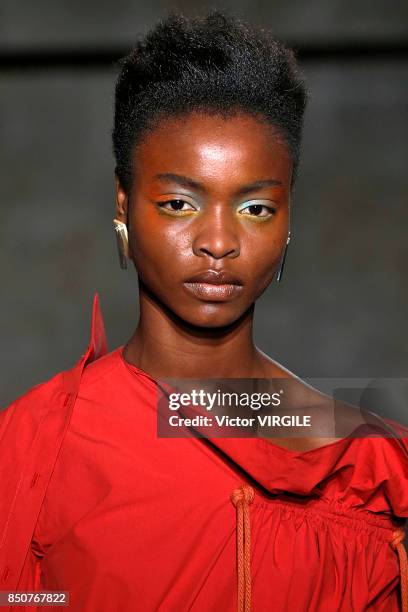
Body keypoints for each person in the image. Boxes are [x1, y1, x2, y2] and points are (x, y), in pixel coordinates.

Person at [0, 10, 407, 612]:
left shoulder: (372, 468)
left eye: (256, 209)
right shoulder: (34, 448)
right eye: (179, 202)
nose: (218, 241)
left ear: (289, 217)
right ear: (124, 204)